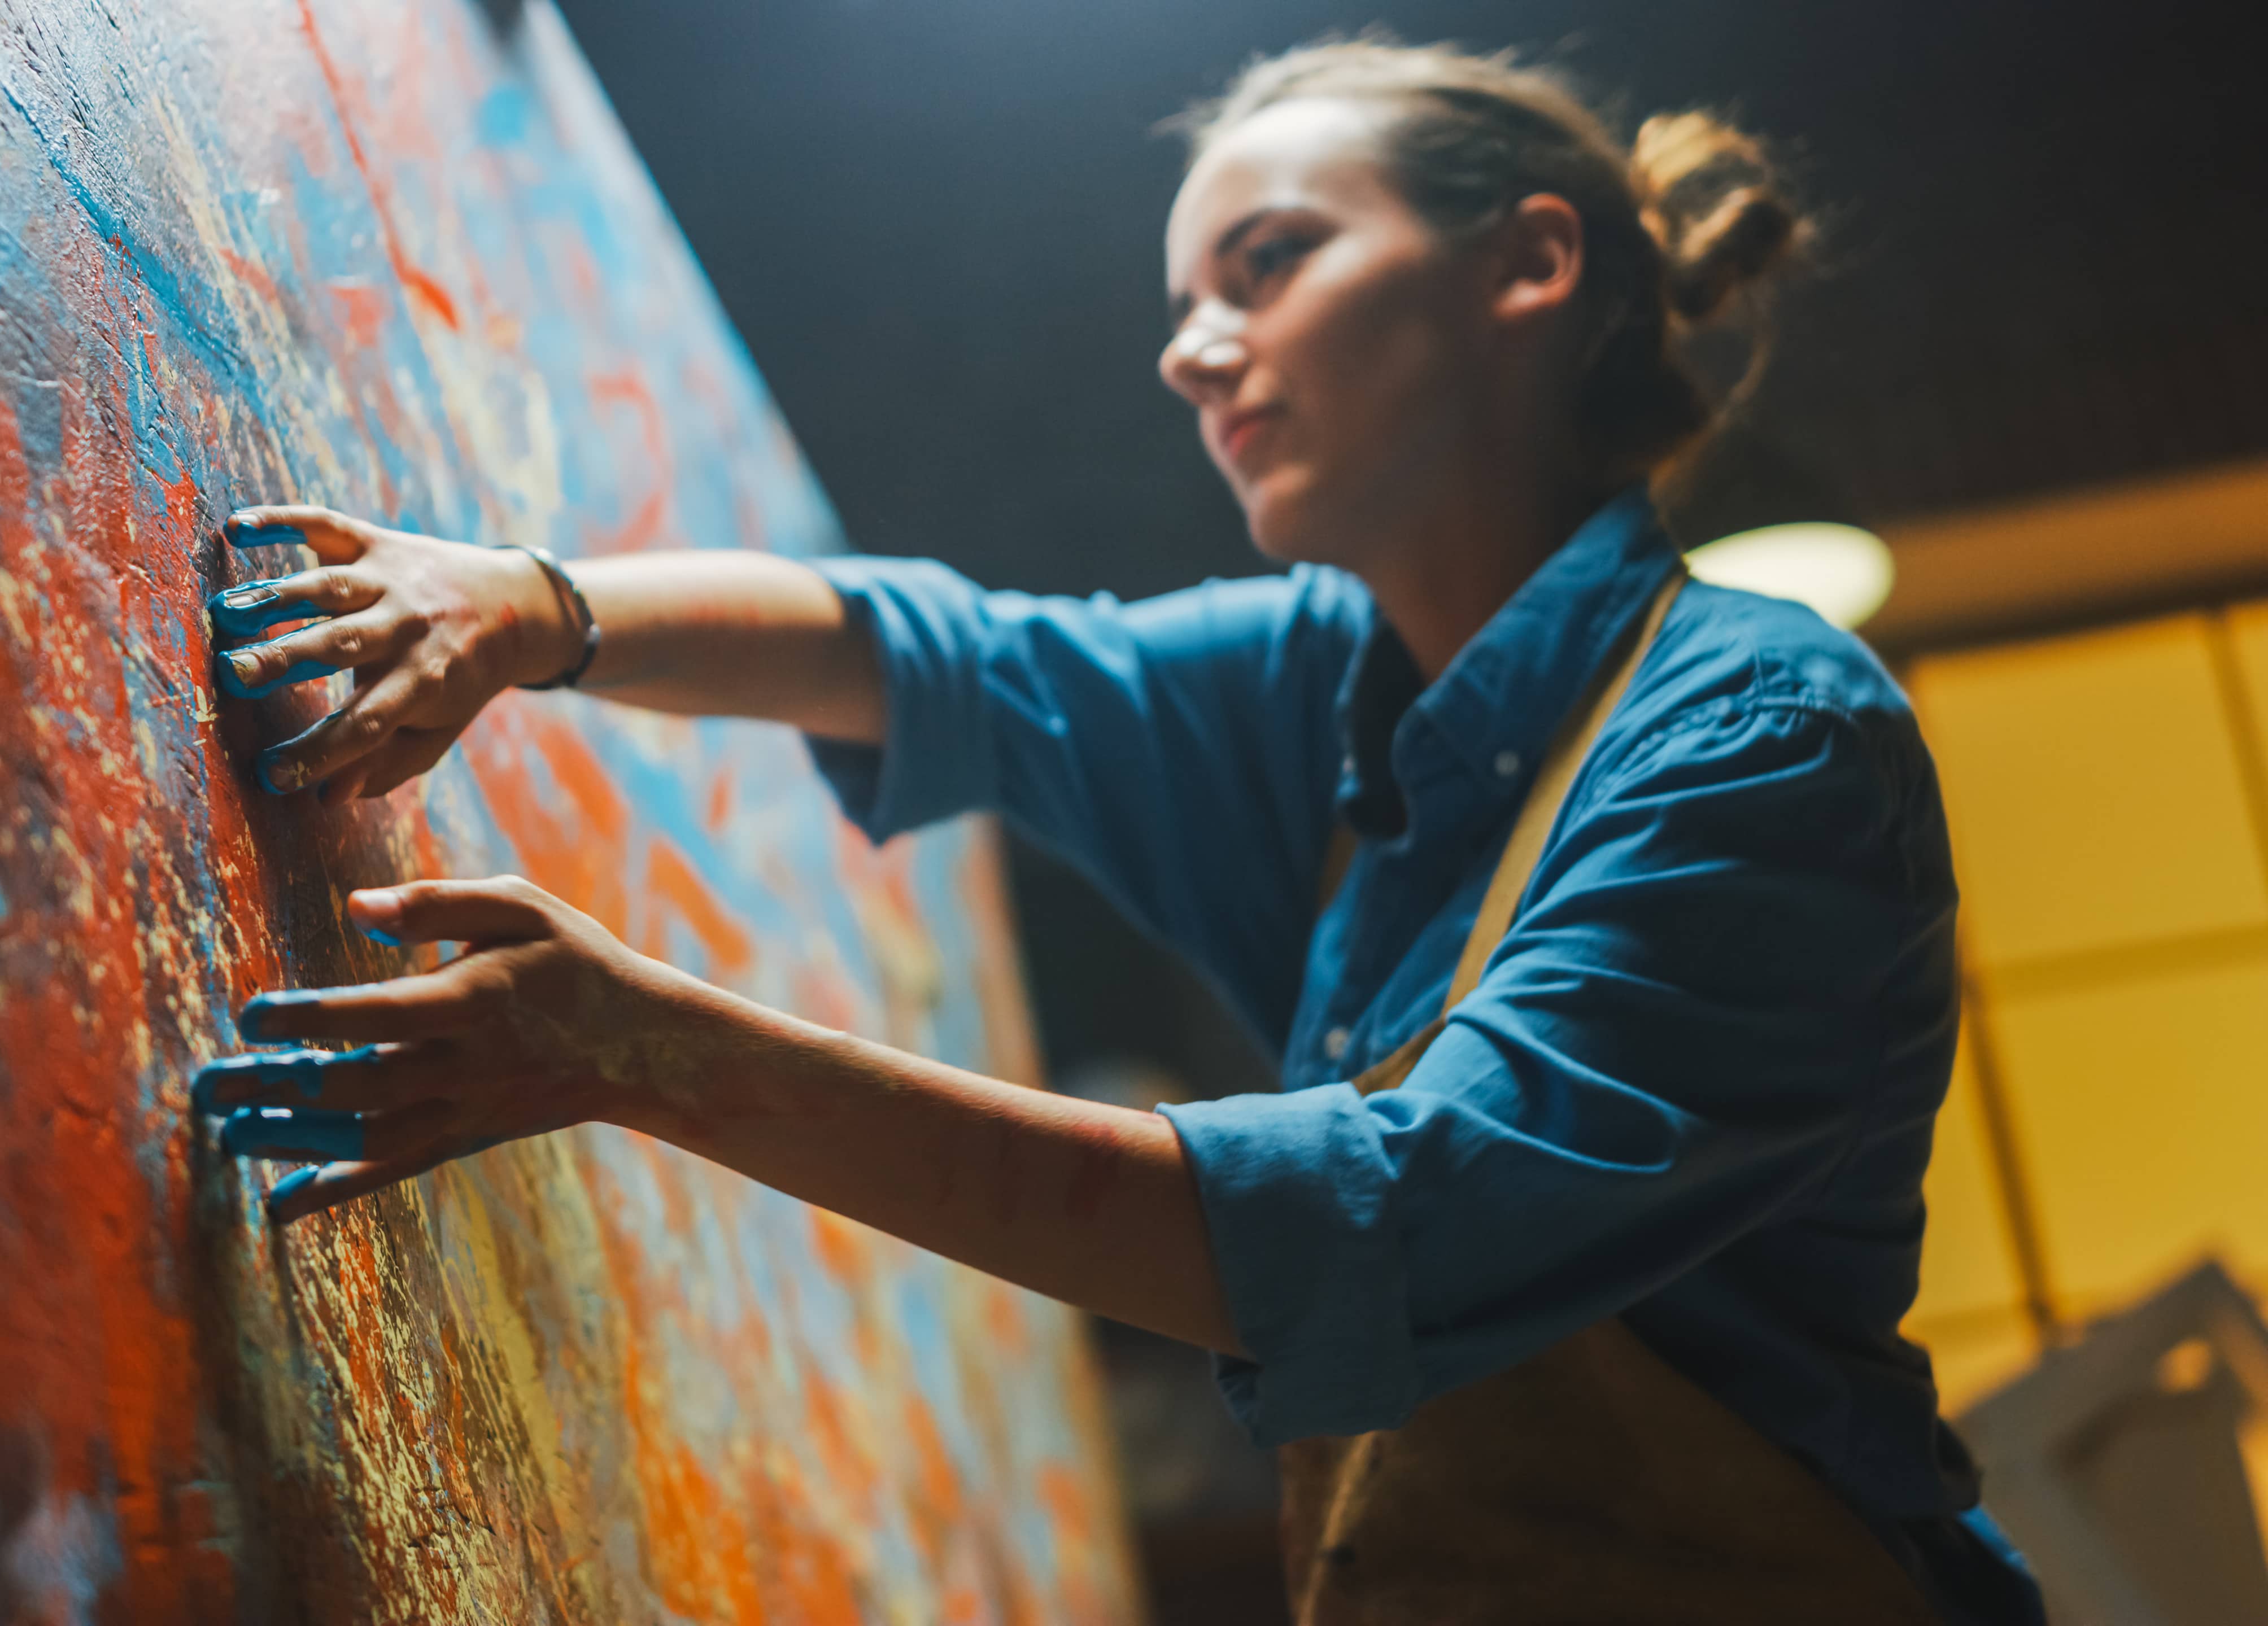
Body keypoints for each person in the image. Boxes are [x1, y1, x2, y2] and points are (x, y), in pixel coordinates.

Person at [188, 38, 2044, 1624]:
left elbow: (1396, 1231)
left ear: (1530, 266)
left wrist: (639, 1050)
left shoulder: (1750, 732)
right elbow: (951, 657)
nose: (1191, 351)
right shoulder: (1331, 684)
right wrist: (537, 604)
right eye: (1184, 303)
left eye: (1269, 262)